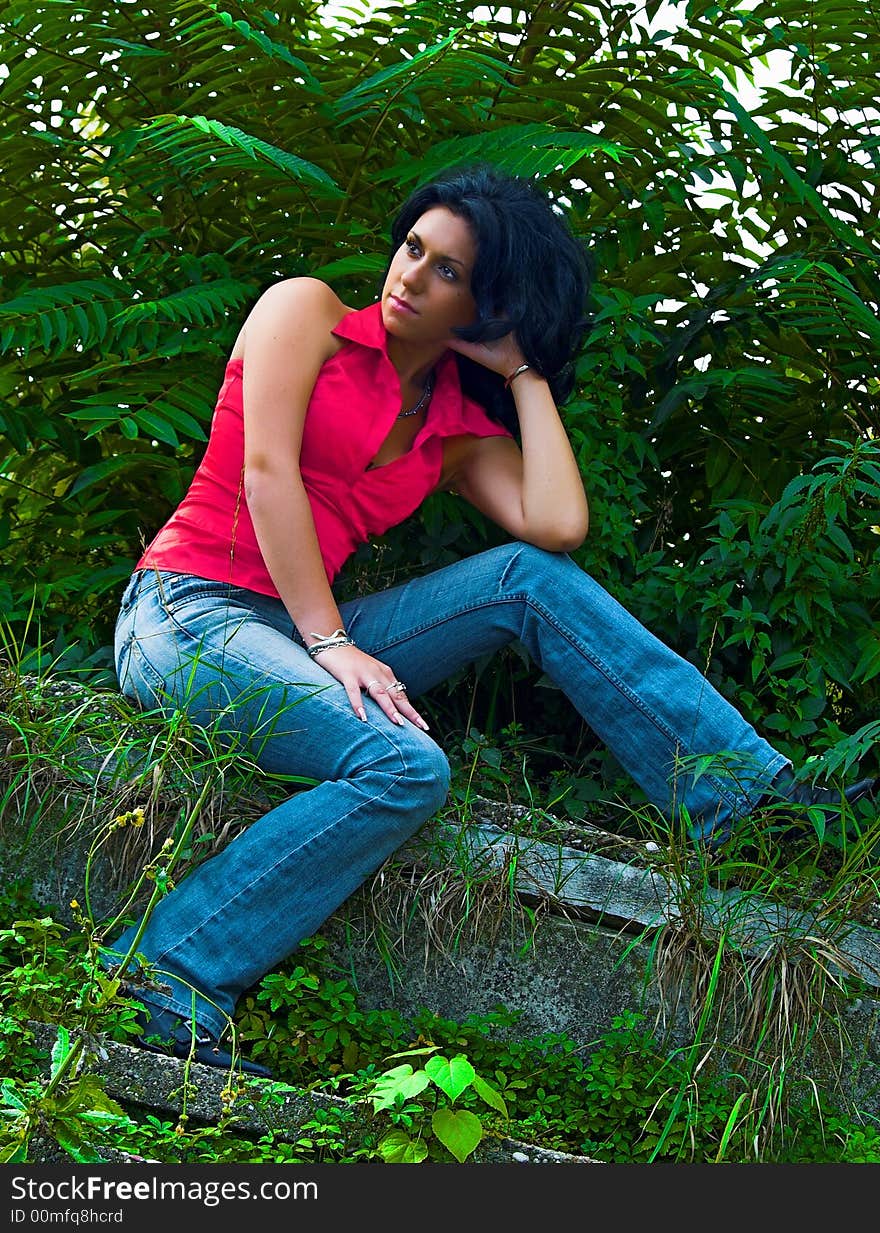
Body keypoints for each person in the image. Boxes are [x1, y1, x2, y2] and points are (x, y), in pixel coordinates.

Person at [105, 164, 876, 1075]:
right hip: (187, 614)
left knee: (525, 576)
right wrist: (333, 642)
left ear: (487, 304)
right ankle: (164, 975)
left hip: (301, 635)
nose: (410, 275)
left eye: (448, 273)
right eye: (413, 248)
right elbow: (266, 476)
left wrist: (517, 371)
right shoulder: (303, 311)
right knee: (403, 765)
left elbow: (557, 524)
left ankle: (747, 805)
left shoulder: (454, 425)